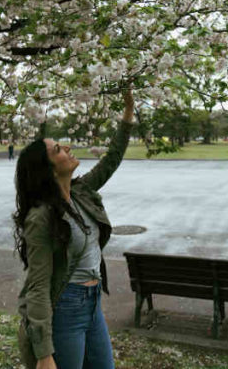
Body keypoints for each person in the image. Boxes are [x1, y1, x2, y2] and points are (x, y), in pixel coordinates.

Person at [14, 89, 135, 369]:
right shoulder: (41, 217)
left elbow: (111, 160)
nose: (66, 148)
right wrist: (44, 354)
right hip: (66, 307)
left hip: (92, 304)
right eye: (57, 149)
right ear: (48, 169)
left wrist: (127, 114)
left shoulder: (80, 192)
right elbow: (38, 285)